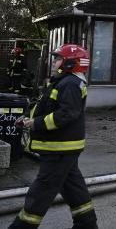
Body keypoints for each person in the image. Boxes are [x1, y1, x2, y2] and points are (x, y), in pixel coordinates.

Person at [11, 44, 97, 229]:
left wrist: (36, 123)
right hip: (62, 148)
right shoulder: (64, 81)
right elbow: (48, 107)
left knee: (41, 190)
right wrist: (28, 119)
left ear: (70, 63)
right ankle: (87, 224)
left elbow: (66, 114)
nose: (54, 62)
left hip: (59, 148)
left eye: (58, 59)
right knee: (74, 189)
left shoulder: (70, 83)